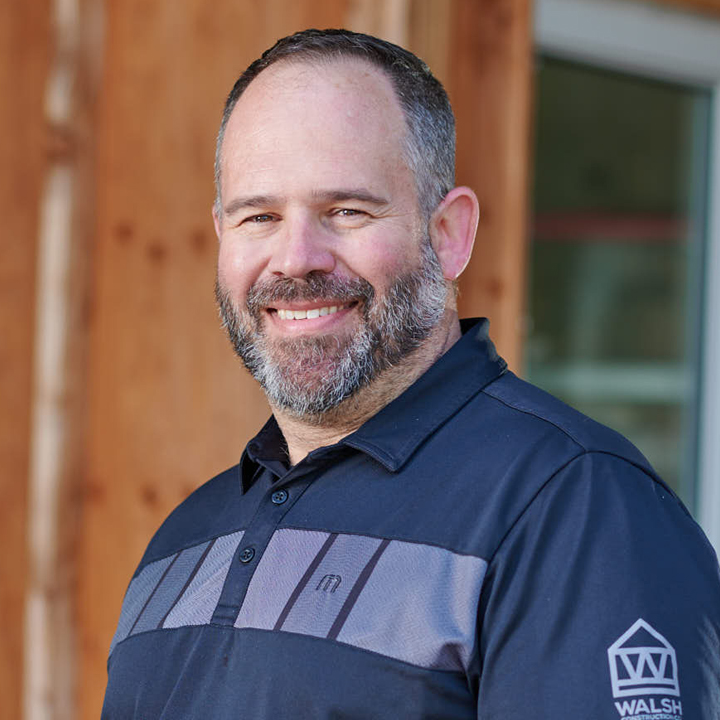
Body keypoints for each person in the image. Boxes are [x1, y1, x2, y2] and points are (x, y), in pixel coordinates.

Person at [102, 29, 720, 719]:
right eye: (260, 216)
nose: (296, 258)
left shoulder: (574, 507)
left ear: (449, 234)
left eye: (347, 211)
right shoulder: (186, 538)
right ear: (222, 234)